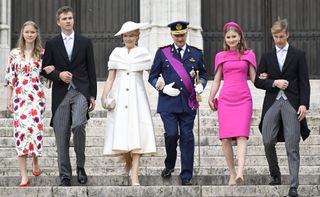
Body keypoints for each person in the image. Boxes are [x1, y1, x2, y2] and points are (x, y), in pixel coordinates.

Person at [41, 6, 97, 186]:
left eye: (70, 18)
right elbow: (45, 69)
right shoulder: (51, 44)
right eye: (64, 18)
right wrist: (58, 74)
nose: (67, 21)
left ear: (73, 20)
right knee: (61, 134)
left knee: (79, 124)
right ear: (58, 22)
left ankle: (80, 167)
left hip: (80, 91)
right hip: (60, 93)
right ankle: (65, 174)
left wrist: (93, 95)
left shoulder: (85, 42)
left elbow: (91, 69)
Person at [254, 18, 310, 197]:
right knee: (267, 140)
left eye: (281, 36)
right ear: (272, 36)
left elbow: (304, 82)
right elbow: (257, 81)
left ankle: (293, 186)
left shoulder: (298, 54)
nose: (278, 40)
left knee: (292, 144)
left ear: (288, 35)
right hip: (272, 101)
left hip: (291, 103)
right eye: (275, 37)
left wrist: (303, 104)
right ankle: (275, 174)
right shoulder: (266, 56)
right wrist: (273, 82)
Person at [148, 21, 207, 185]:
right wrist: (162, 87)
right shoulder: (163, 52)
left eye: (182, 35)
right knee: (172, 135)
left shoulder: (196, 53)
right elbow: (152, 76)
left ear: (186, 34)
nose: (180, 38)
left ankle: (186, 175)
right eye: (176, 35)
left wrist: (201, 84)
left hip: (188, 103)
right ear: (171, 35)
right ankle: (170, 163)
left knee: (187, 137)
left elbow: (202, 74)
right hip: (168, 103)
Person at [101, 21, 157, 186]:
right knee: (124, 132)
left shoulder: (143, 52)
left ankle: (135, 175)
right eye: (126, 36)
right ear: (122, 38)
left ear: (137, 37)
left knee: (137, 130)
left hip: (136, 96)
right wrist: (104, 97)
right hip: (119, 96)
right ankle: (128, 163)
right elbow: (110, 77)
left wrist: (161, 83)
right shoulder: (116, 53)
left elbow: (152, 75)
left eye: (132, 35)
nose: (128, 38)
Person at [208, 22, 256, 186]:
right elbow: (216, 80)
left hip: (243, 99)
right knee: (225, 138)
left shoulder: (249, 55)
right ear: (225, 39)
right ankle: (232, 173)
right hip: (226, 99)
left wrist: (269, 79)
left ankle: (241, 171)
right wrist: (210, 97)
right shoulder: (220, 56)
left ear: (240, 37)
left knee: (242, 135)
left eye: (234, 36)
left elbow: (254, 79)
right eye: (228, 37)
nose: (231, 39)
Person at [4, 21, 47, 186]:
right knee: (20, 134)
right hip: (20, 98)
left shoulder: (42, 54)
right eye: (27, 32)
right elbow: (10, 78)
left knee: (34, 131)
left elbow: (46, 78)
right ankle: (24, 175)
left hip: (36, 97)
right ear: (23, 33)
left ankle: (35, 158)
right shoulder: (15, 54)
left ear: (36, 34)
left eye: (32, 32)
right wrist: (8, 99)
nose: (29, 35)